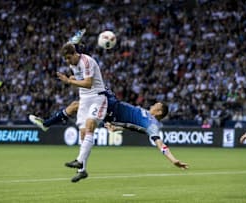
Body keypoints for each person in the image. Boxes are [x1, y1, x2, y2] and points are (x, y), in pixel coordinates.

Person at [30, 90, 189, 174]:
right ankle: (81, 168)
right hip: (113, 110)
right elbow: (131, 125)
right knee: (76, 106)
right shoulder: (146, 115)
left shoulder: (153, 124)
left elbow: (159, 142)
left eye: (156, 105)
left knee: (94, 92)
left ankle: (47, 124)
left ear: (159, 112)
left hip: (112, 109)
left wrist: (173, 160)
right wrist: (117, 127)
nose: (153, 104)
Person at [30, 29, 108, 183]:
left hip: (97, 97)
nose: (67, 62)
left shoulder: (86, 61)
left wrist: (69, 81)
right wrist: (78, 35)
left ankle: (78, 160)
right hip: (85, 98)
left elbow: (88, 83)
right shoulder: (73, 61)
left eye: (68, 58)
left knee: (90, 124)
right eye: (65, 59)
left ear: (74, 54)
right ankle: (82, 170)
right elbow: (71, 46)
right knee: (83, 133)